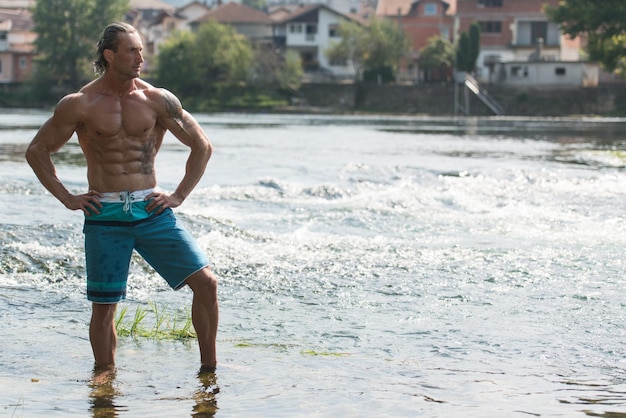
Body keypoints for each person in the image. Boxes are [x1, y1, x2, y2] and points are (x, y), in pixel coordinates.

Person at [25, 22, 218, 374]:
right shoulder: (78, 104)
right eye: (132, 50)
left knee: (206, 283)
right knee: (104, 308)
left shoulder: (157, 99)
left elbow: (202, 146)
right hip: (105, 216)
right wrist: (68, 197)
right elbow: (37, 152)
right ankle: (105, 380)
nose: (140, 57)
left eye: (141, 50)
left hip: (152, 211)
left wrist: (178, 195)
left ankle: (210, 371)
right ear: (109, 55)